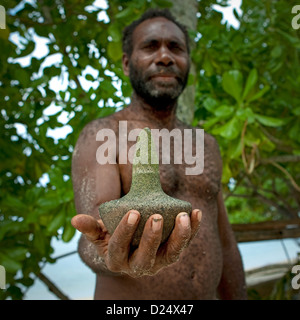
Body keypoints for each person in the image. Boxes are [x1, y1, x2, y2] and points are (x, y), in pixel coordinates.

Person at [71, 8, 247, 300]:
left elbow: (225, 244)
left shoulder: (205, 144)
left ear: (187, 62)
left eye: (175, 48)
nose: (165, 56)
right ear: (127, 64)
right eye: (151, 46)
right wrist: (111, 255)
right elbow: (93, 236)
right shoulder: (103, 135)